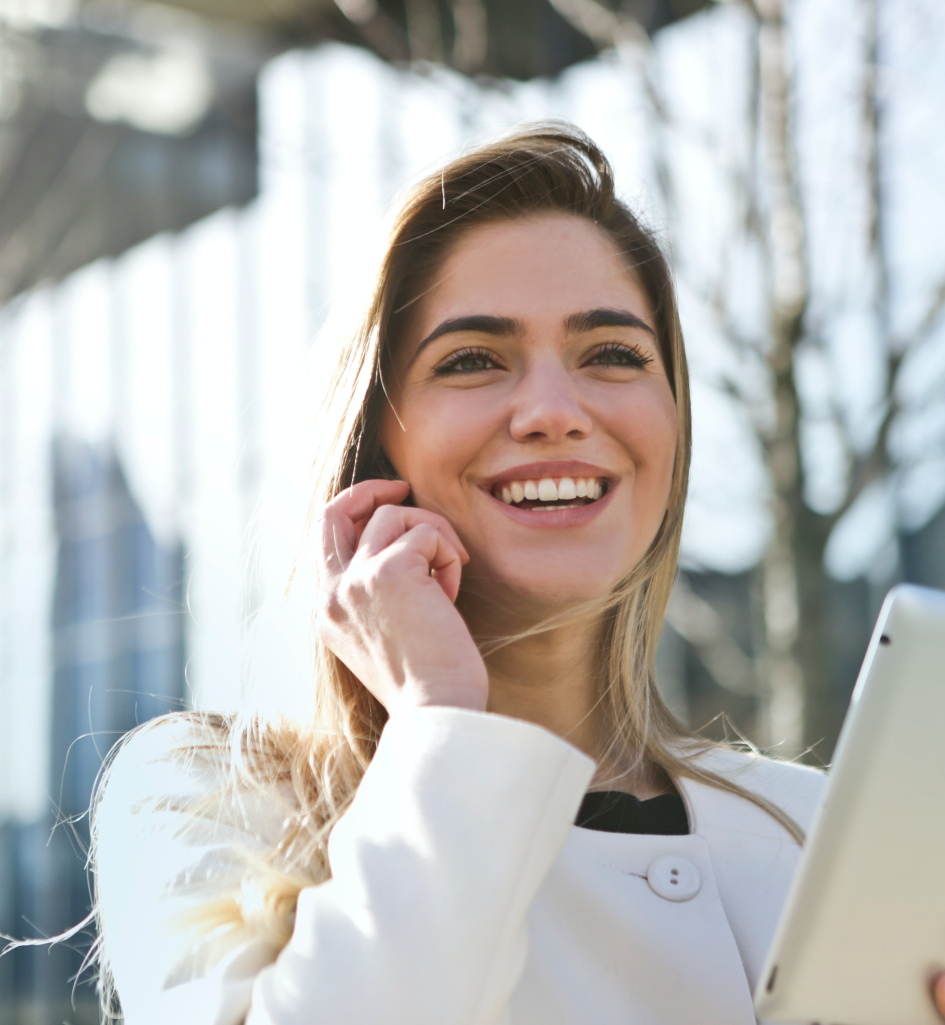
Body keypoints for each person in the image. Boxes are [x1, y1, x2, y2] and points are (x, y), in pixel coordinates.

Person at [91, 123, 945, 1025]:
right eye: (472, 359)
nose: (552, 411)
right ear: (375, 443)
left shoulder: (818, 831)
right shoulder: (209, 802)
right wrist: (440, 716)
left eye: (612, 354)